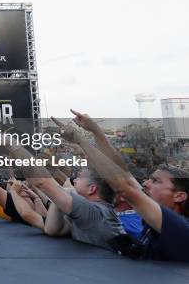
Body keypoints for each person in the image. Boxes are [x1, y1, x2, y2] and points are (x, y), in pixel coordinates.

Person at [55, 110, 189, 262]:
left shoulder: (180, 228)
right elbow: (122, 172)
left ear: (179, 196)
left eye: (156, 181)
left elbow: (124, 185)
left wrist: (80, 140)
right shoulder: (157, 217)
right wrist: (95, 131)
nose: (145, 183)